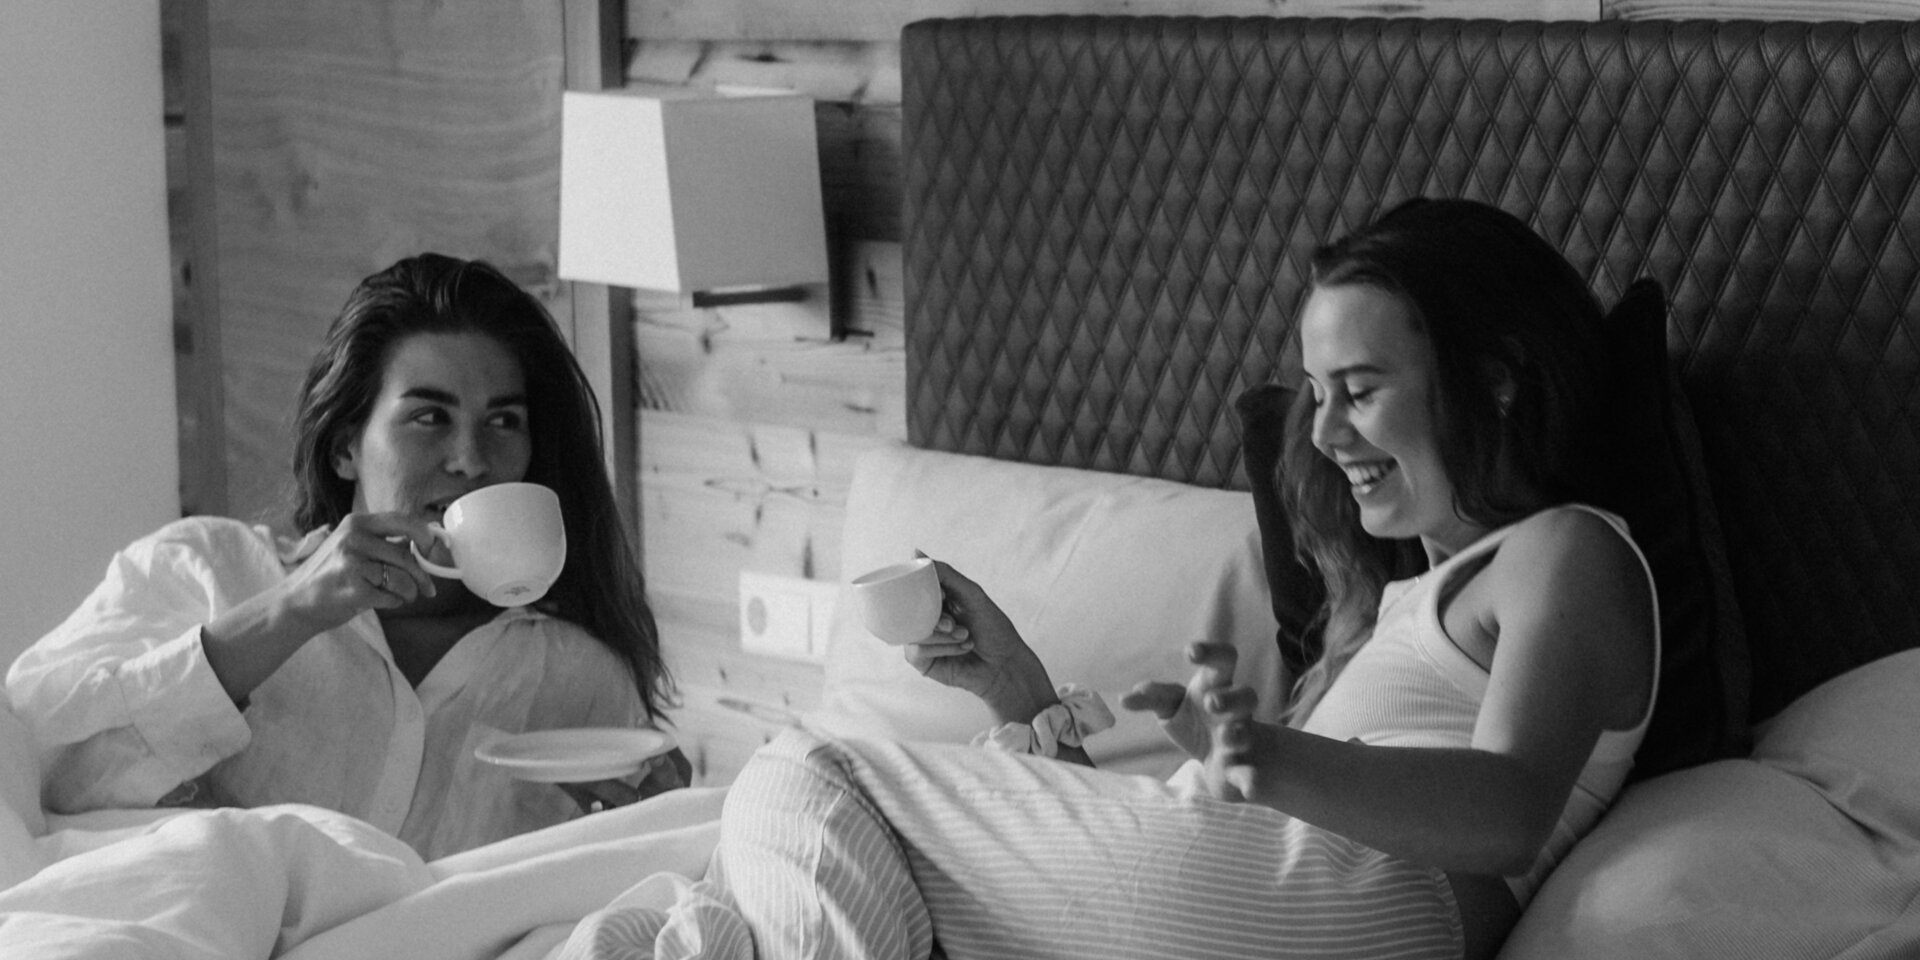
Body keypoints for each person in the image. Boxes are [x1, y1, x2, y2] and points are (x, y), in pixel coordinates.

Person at [549, 198, 1660, 960]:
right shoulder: (1406, 600)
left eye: (1359, 390)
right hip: (1278, 897)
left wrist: (1264, 754)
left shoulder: (1569, 550)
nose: (1321, 435)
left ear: (1499, 380)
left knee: (803, 773)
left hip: (1370, 904)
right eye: (1314, 393)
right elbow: (1163, 875)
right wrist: (1024, 698)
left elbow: (1509, 813)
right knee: (686, 925)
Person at [6, 253, 686, 861]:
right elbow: (39, 767)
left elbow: (594, 900)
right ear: (345, 447)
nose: (472, 459)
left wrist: (657, 832)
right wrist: (290, 613)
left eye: (503, 421)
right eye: (430, 417)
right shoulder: (206, 570)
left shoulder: (579, 677)